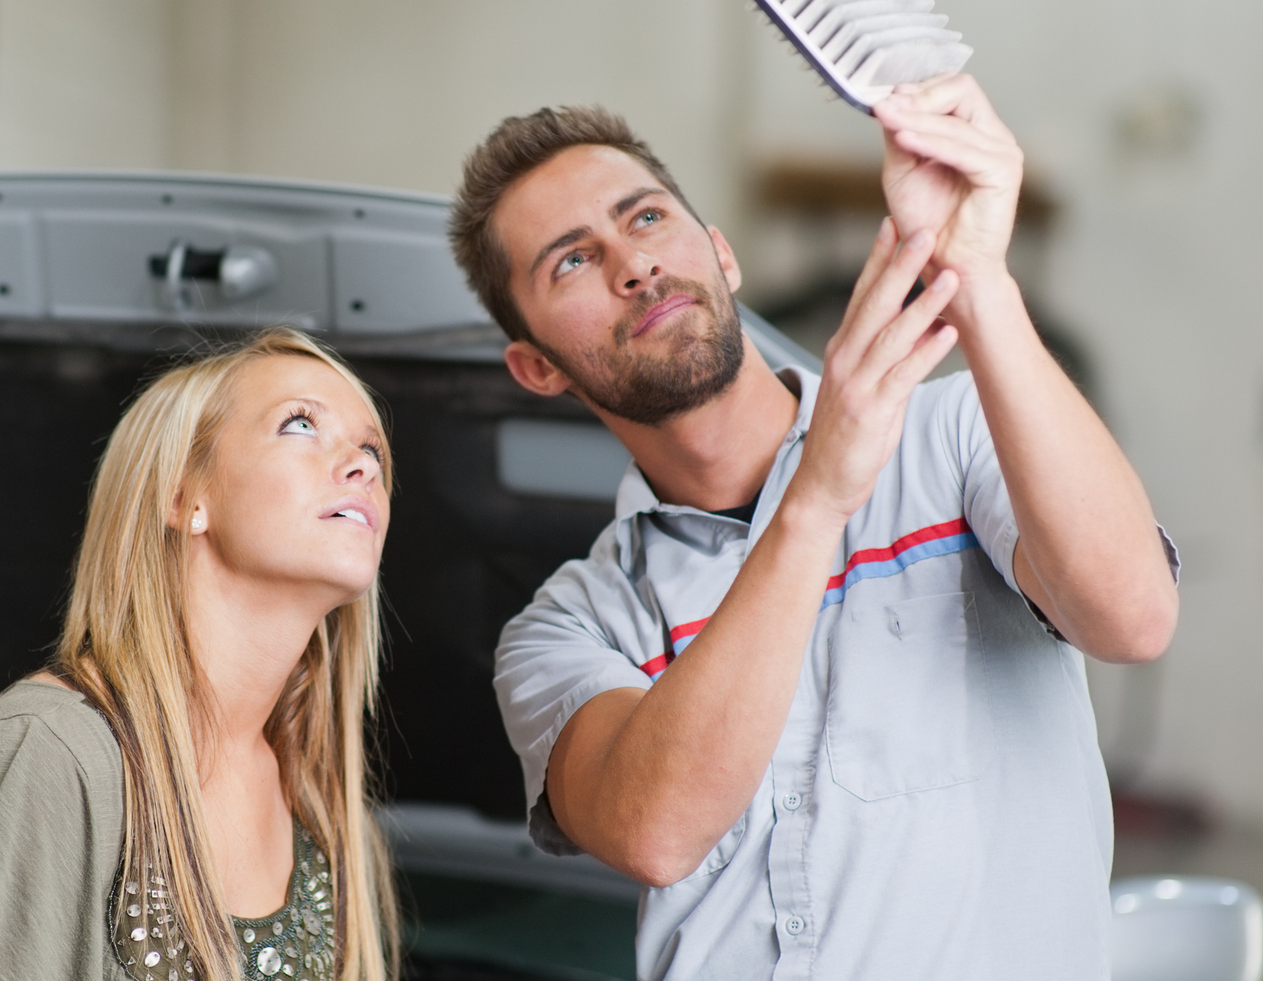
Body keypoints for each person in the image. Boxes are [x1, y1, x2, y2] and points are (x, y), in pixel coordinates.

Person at [449, 76, 1180, 979]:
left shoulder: (953, 437)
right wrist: (817, 497)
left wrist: (981, 282)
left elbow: (1133, 618)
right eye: (570, 261)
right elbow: (656, 831)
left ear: (721, 254)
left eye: (647, 219)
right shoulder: (570, 628)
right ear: (536, 368)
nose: (632, 265)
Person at [0, 329, 398, 981]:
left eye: (372, 449)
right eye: (300, 424)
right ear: (183, 497)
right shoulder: (44, 755)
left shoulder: (320, 803)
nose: (363, 466)